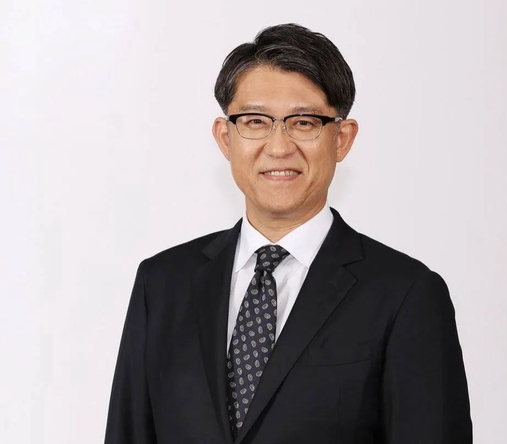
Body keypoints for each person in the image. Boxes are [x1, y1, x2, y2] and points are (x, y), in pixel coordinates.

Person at [104, 23, 472, 444]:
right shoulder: (162, 284)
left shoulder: (406, 294)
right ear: (225, 138)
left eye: (303, 122)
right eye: (255, 121)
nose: (279, 147)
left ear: (342, 139)